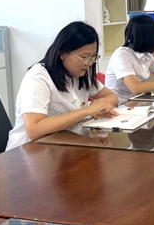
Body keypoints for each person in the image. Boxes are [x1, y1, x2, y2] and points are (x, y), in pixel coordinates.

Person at [6, 22, 119, 150]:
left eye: (93, 57)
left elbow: (112, 97)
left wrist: (100, 106)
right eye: (84, 57)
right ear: (62, 53)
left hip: (67, 144)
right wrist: (88, 111)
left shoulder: (80, 73)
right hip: (31, 151)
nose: (89, 63)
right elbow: (34, 130)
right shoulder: (39, 77)